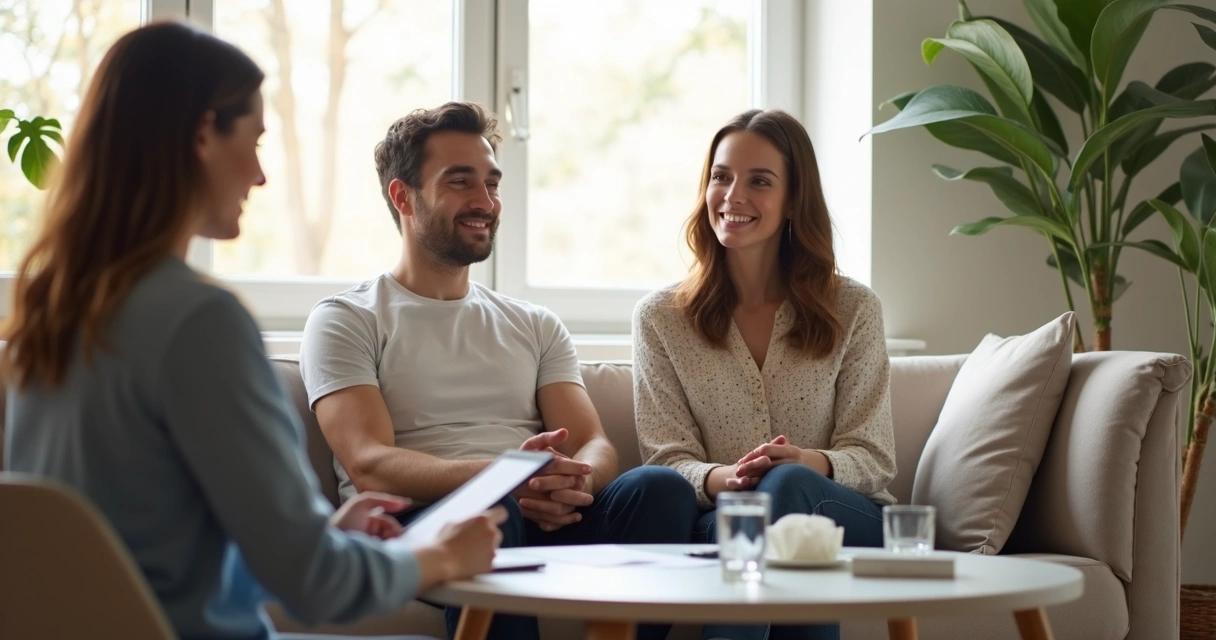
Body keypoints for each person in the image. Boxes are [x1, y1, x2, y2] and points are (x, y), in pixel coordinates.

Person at [1, 22, 505, 640]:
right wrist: (441, 557)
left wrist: (321, 537)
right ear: (203, 135)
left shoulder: (53, 312)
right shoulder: (198, 322)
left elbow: (149, 560)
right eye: (255, 140)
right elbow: (318, 586)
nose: (261, 175)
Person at [300, 101, 697, 640]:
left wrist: (568, 483)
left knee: (661, 488)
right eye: (461, 182)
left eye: (492, 183)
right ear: (403, 195)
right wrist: (506, 478)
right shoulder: (346, 319)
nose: (485, 202)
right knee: (493, 513)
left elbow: (593, 441)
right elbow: (370, 463)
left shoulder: (532, 322)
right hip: (425, 524)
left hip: (536, 511)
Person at [633, 109, 897, 640]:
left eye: (759, 181)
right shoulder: (661, 318)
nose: (732, 195)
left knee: (789, 484)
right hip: (724, 518)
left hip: (841, 514)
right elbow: (666, 458)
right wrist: (723, 478)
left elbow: (874, 459)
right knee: (755, 514)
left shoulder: (853, 308)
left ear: (794, 198)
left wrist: (809, 461)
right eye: (721, 176)